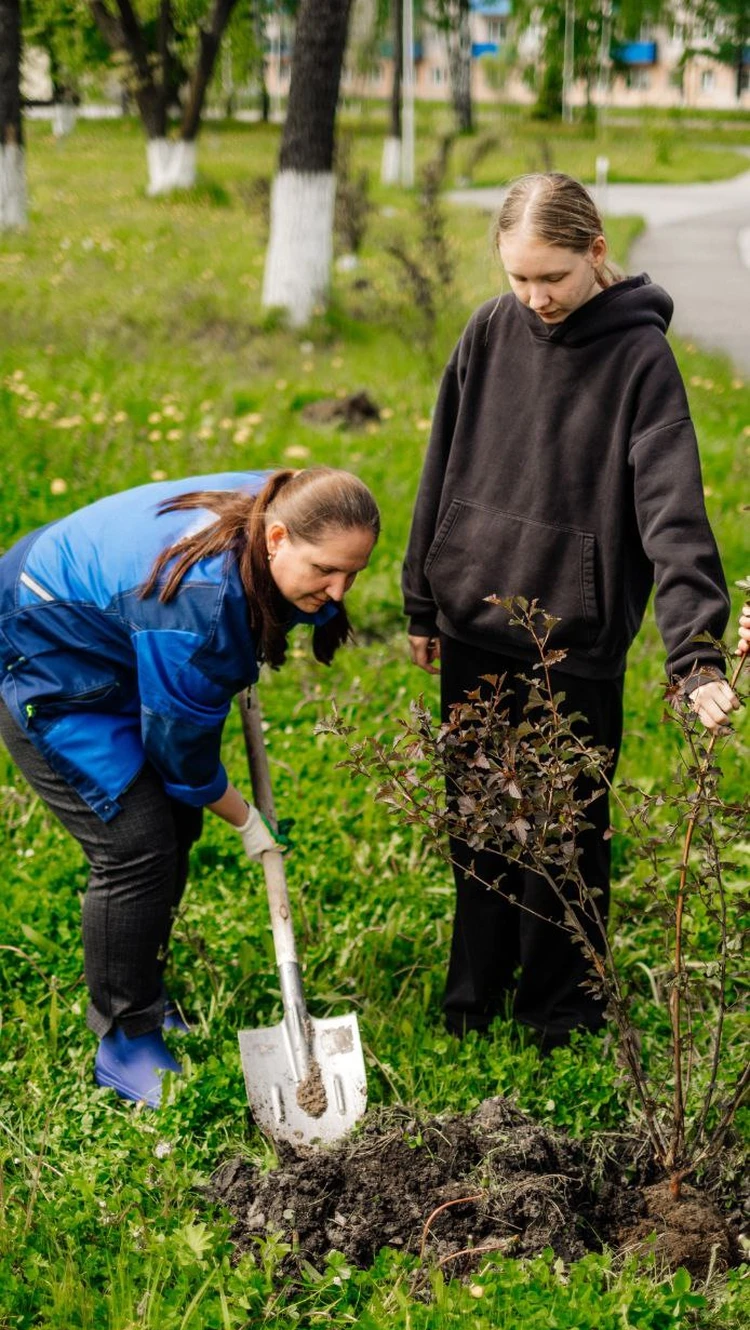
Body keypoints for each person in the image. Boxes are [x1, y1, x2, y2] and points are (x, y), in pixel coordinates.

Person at [402, 171, 741, 1050]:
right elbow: (442, 465)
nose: (535, 297)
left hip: (572, 645)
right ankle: (473, 1002)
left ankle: (560, 1008)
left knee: (567, 831)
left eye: (551, 276)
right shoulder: (488, 329)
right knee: (477, 822)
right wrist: (419, 599)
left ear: (596, 253)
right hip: (473, 621)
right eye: (518, 277)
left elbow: (673, 511)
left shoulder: (640, 360)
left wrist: (695, 652)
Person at [0, 467, 380, 1106]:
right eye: (325, 572)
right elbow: (183, 761)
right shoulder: (199, 611)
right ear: (277, 538)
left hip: (112, 630)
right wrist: (248, 822)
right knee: (136, 846)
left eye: (353, 573)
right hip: (44, 651)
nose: (339, 592)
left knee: (178, 823)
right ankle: (125, 1036)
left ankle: (143, 985)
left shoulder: (280, 501)